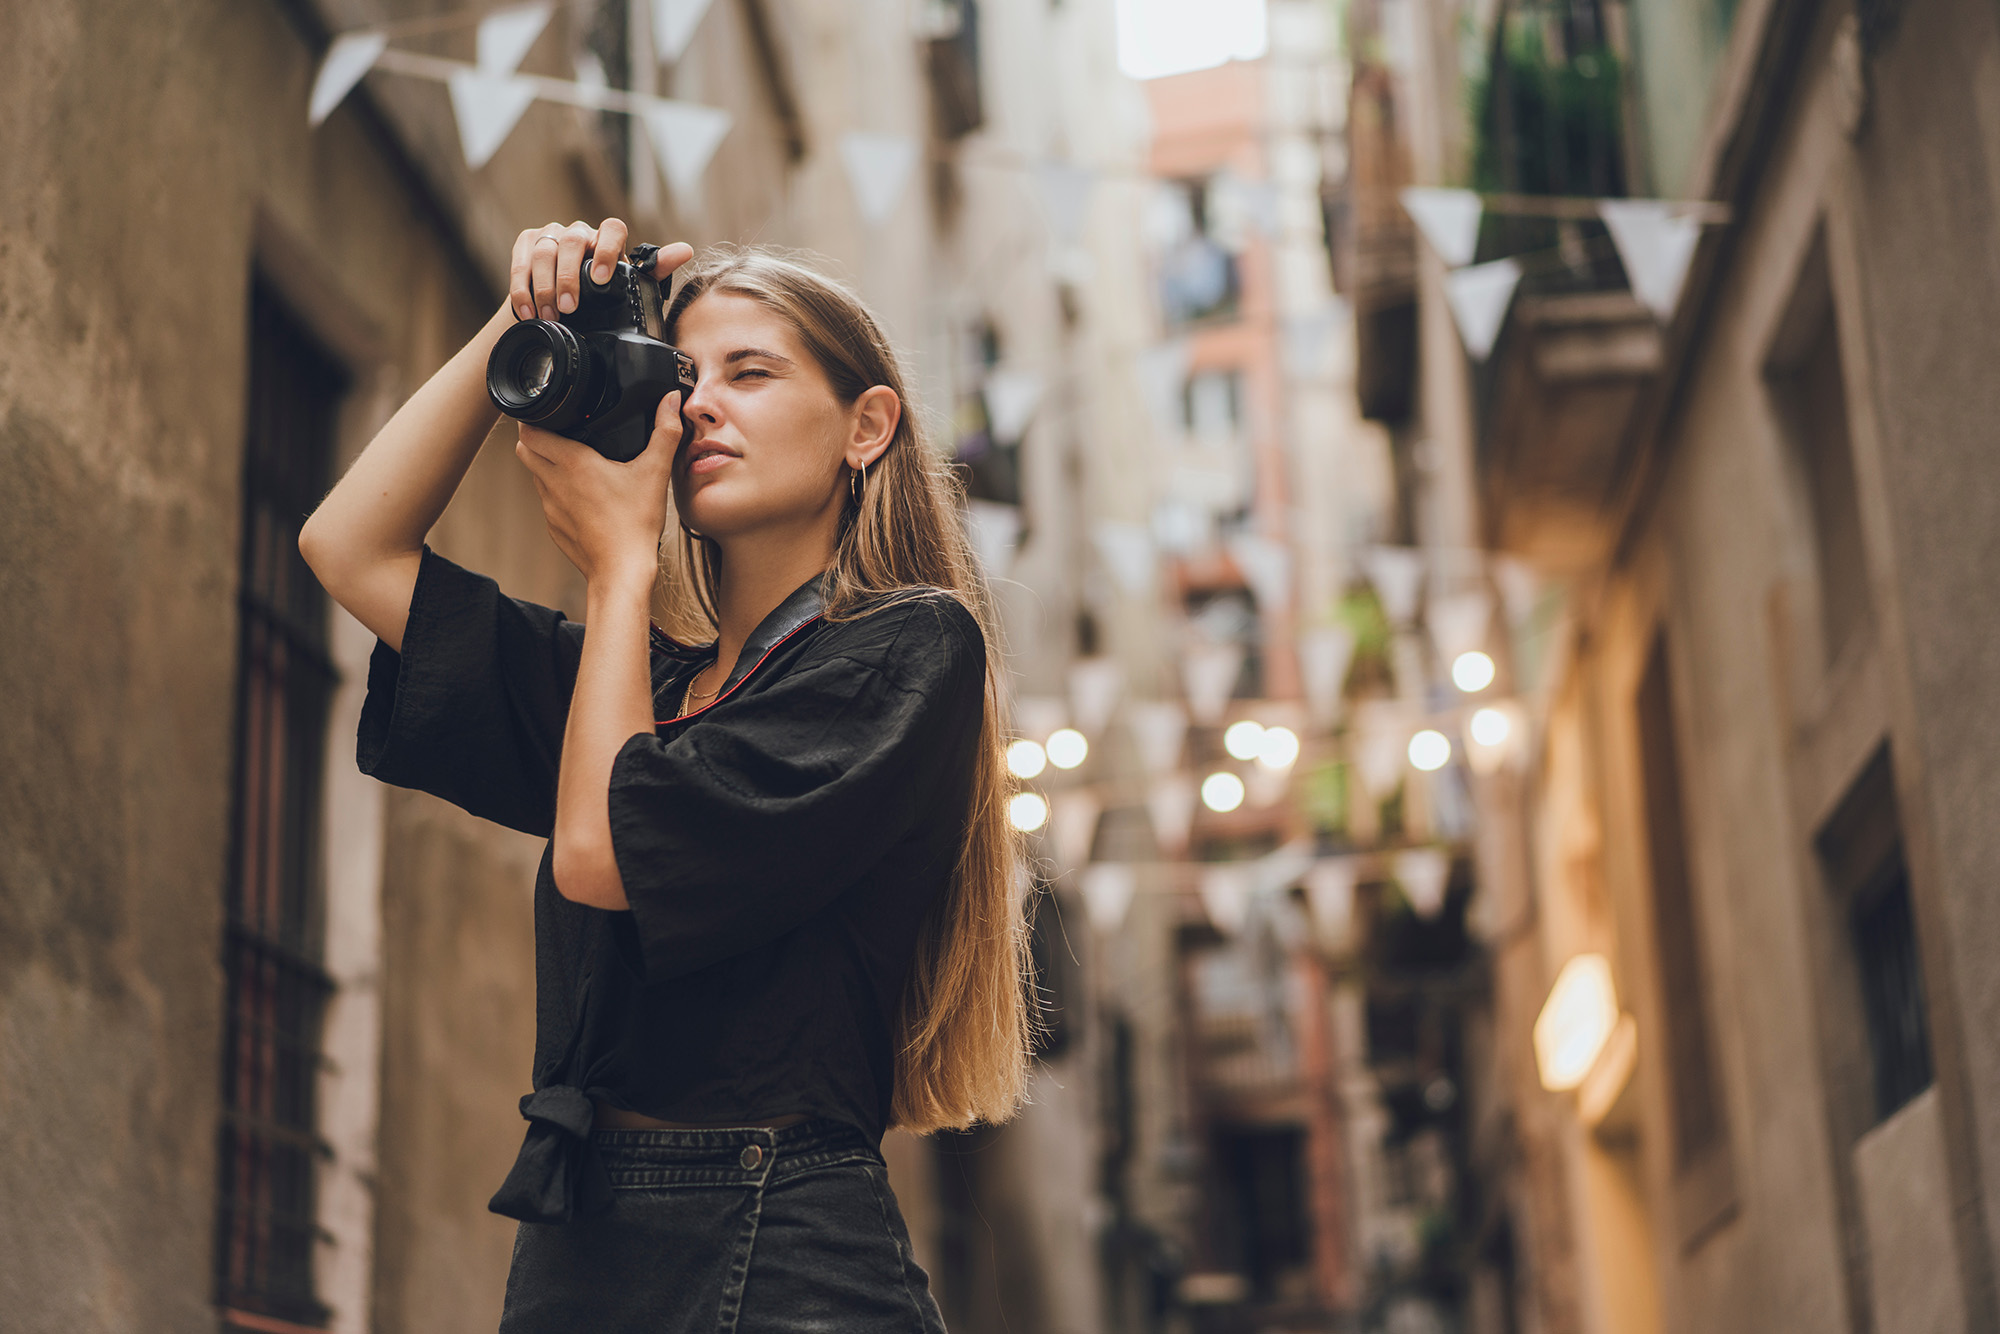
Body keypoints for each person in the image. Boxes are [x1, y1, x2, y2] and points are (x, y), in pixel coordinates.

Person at [299, 218, 1030, 1331]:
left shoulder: (910, 648)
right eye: (685, 376)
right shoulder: (635, 683)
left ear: (864, 426)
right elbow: (348, 545)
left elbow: (599, 857)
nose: (700, 405)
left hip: (784, 1240)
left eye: (751, 372)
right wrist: (523, 318)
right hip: (574, 1231)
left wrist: (619, 568)